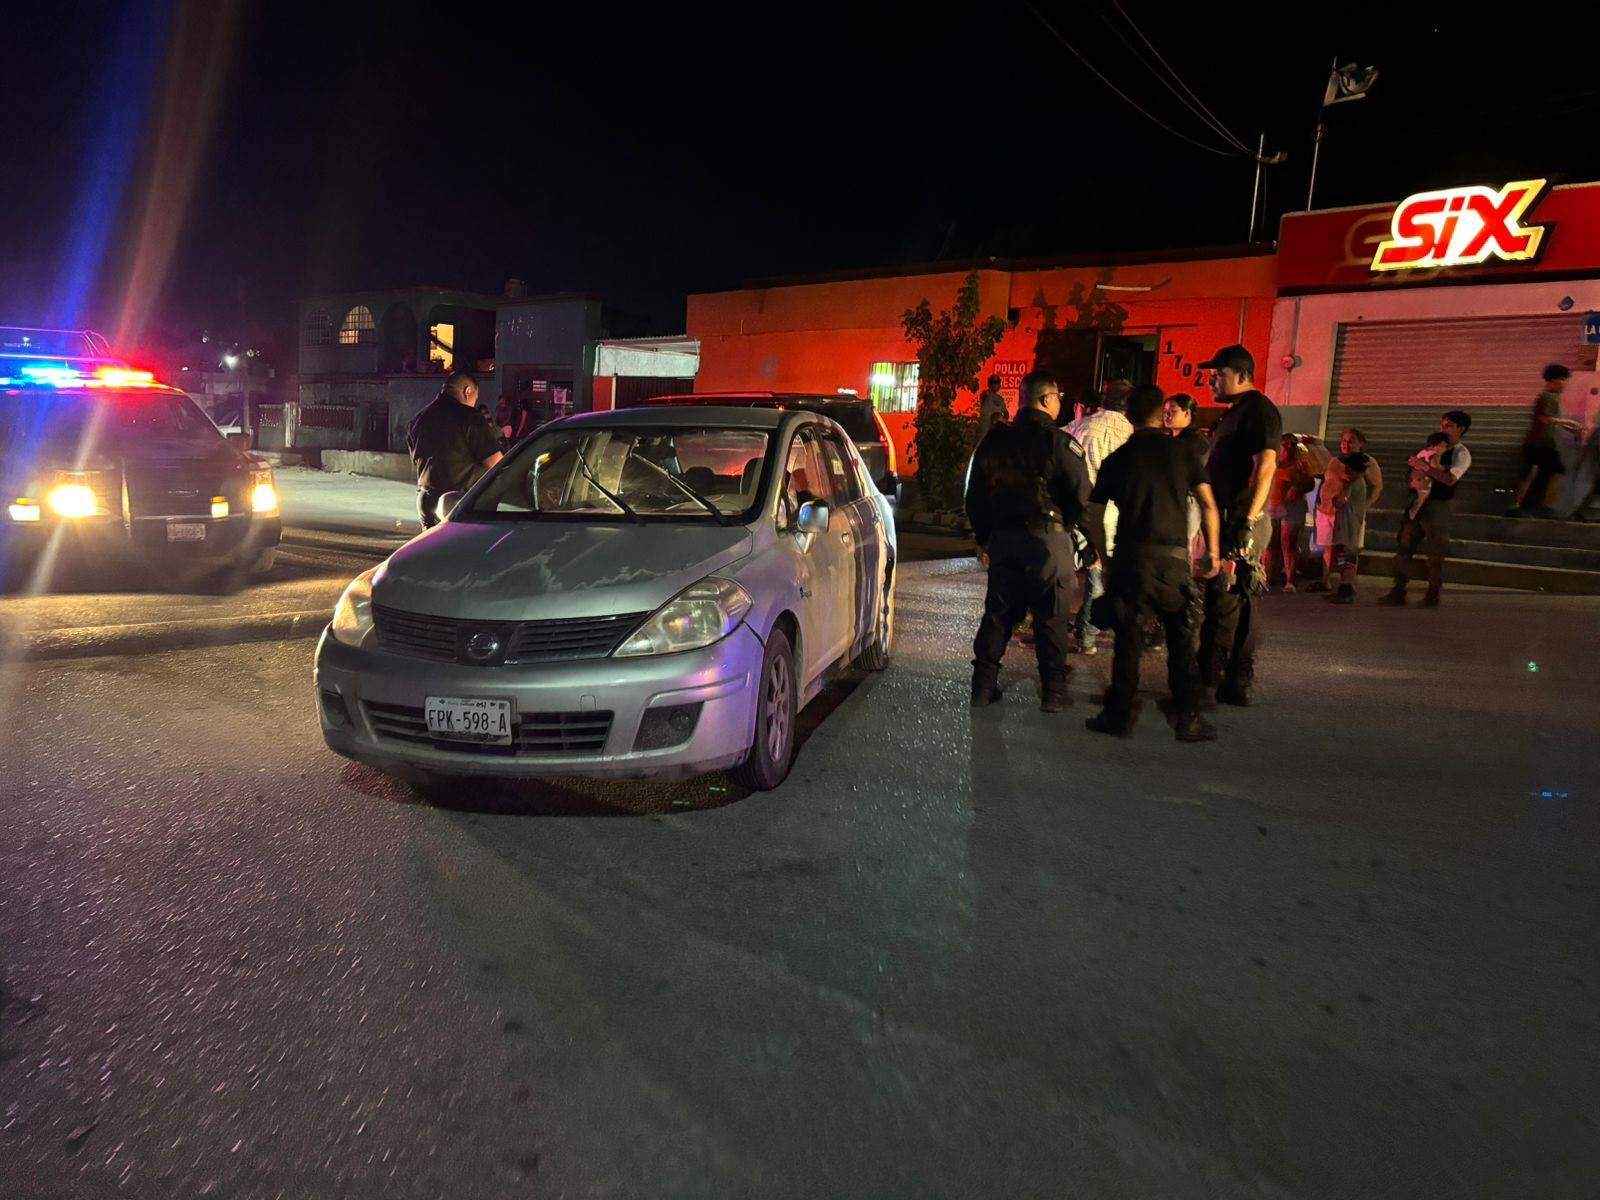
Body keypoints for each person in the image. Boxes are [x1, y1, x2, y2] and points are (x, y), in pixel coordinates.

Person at [1084, 385, 1222, 742]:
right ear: (1161, 414)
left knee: (1128, 640)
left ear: (1128, 415)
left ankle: (1118, 716)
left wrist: (1104, 554)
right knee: (1181, 639)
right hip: (1174, 560)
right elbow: (1208, 504)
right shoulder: (1183, 454)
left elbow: (1095, 512)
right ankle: (1187, 717)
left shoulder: (1119, 459)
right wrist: (1213, 552)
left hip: (1132, 559)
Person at [965, 371, 1104, 712]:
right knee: (1052, 615)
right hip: (1048, 541)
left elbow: (975, 495)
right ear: (1045, 400)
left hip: (1004, 539)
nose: (1060, 402)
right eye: (1057, 396)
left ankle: (983, 687)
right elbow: (1081, 498)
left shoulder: (995, 441)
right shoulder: (1060, 443)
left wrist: (984, 538)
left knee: (998, 613)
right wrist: (1092, 547)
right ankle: (1053, 692)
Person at [1195, 345, 1281, 706]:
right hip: (1223, 518)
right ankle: (1211, 672)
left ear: (1242, 374)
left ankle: (1235, 677)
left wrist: (1247, 521)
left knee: (1238, 596)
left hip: (1241, 520)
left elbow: (1266, 465)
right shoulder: (1232, 413)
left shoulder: (1260, 411)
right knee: (1220, 596)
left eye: (1219, 373)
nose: (1211, 379)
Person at [1064, 379, 1134, 655]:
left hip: (1079, 511)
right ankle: (1087, 635)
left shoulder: (1083, 426)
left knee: (1071, 574)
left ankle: (1071, 630)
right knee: (1098, 578)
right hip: (1112, 518)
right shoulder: (1130, 433)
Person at [1380, 410, 1472, 607]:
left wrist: (1426, 468)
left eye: (1449, 425)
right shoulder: (1430, 449)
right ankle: (1398, 590)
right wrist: (1413, 481)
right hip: (1417, 504)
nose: (1443, 429)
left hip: (1438, 506)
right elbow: (1411, 473)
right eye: (1442, 424)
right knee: (1405, 546)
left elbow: (1449, 479)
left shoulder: (1461, 453)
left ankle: (1433, 594)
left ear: (1461, 429)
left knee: (1435, 551)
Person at [406, 370, 503, 528]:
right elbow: (495, 464)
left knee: (431, 551)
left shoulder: (418, 420)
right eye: (475, 398)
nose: (474, 402)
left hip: (425, 500)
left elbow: (417, 460)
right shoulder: (469, 416)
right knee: (464, 551)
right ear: (468, 391)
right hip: (459, 503)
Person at [1313, 429, 1382, 604]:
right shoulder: (1337, 461)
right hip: (1331, 513)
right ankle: (1333, 583)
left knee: (1347, 551)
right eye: (1343, 440)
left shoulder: (1360, 471)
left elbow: (1374, 487)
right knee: (1338, 550)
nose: (1345, 443)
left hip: (1348, 516)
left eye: (1351, 441)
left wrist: (1363, 506)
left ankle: (1347, 587)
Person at [1508, 364, 1579, 517]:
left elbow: (1553, 420)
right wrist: (1569, 424)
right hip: (1539, 443)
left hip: (1543, 443)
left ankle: (1526, 505)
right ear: (1554, 380)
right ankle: (1535, 506)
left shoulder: (1555, 397)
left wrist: (1572, 429)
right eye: (1564, 380)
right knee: (1547, 471)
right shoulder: (1546, 397)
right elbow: (1545, 419)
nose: (1566, 384)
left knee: (1537, 472)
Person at [1268, 434, 1323, 592]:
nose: (1286, 448)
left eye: (1290, 445)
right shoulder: (1274, 461)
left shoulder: (1301, 464)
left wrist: (1298, 487)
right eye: (1284, 444)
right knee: (1271, 544)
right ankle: (1268, 576)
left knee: (1288, 543)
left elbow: (1310, 483)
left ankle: (1290, 581)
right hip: (1273, 505)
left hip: (1292, 507)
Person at [975, 374, 1009, 444]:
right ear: (989, 385)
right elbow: (984, 397)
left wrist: (1004, 421)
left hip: (996, 430)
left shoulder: (1000, 399)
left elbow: (1005, 412)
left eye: (997, 383)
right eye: (993, 383)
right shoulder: (985, 394)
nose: (996, 385)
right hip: (985, 429)